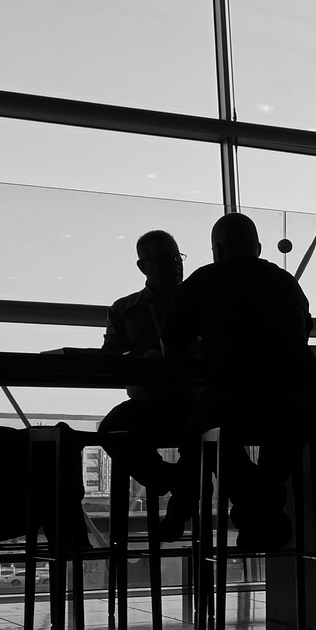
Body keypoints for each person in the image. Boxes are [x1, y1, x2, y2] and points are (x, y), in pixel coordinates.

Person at [162, 212, 316, 550]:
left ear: (217, 249)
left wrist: (206, 345)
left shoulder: (205, 280)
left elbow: (172, 343)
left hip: (233, 395)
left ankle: (238, 503)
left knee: (200, 437)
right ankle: (260, 507)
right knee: (281, 442)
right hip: (300, 401)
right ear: (259, 248)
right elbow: (304, 329)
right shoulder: (286, 281)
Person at [98, 230, 197, 539]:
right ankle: (183, 487)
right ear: (143, 267)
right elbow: (110, 360)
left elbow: (108, 361)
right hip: (185, 402)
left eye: (177, 258)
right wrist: (140, 357)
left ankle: (173, 482)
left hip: (160, 402)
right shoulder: (198, 303)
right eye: (167, 260)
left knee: (113, 429)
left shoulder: (127, 310)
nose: (175, 266)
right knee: (201, 439)